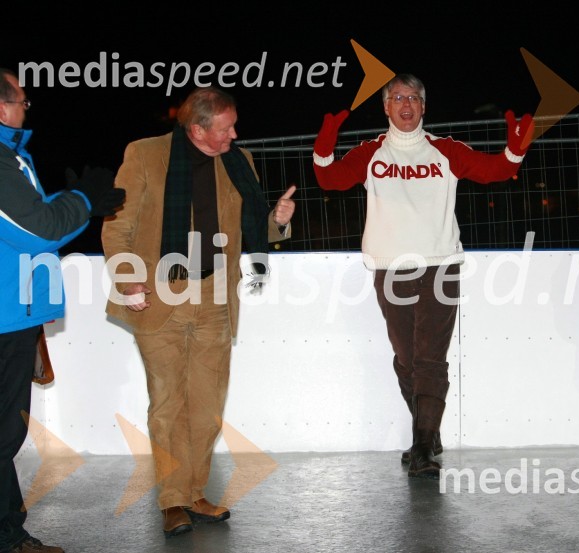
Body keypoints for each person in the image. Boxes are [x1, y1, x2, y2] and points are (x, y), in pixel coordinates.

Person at [312, 73, 534, 479]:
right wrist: (325, 144)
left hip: (439, 266)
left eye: (413, 98)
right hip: (389, 268)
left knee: (430, 359)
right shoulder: (371, 153)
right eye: (398, 97)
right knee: (406, 360)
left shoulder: (445, 151)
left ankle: (421, 446)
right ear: (386, 107)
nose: (406, 105)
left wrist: (515, 149)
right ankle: (426, 435)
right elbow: (330, 178)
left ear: (424, 107)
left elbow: (497, 170)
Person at [101, 86, 294, 537]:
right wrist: (129, 279)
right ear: (198, 128)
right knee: (168, 404)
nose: (234, 134)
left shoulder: (237, 161)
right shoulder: (145, 155)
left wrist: (279, 220)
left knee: (207, 405)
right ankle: (172, 500)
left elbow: (252, 226)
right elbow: (117, 225)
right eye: (226, 128)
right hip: (159, 293)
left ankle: (195, 492)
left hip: (215, 296)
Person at [0, 68, 124, 553]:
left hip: (13, 314)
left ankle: (10, 534)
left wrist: (69, 203)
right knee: (5, 432)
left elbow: (27, 223)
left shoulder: (12, 157)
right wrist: (80, 201)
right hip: (5, 318)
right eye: (22, 102)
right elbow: (37, 231)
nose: (26, 109)